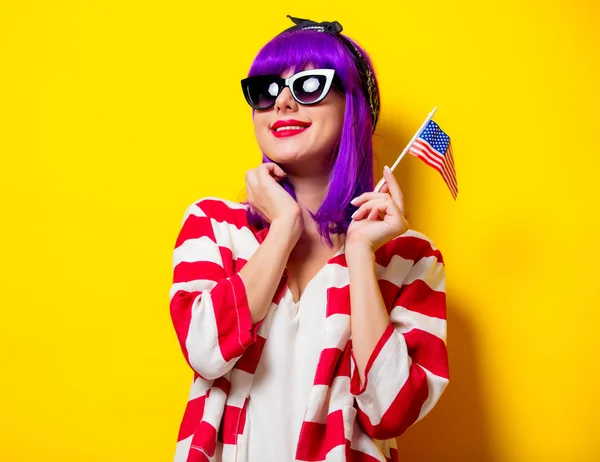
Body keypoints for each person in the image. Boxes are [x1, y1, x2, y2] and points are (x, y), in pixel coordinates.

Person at [169, 15, 449, 462]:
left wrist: (359, 253)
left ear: (352, 106)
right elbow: (206, 351)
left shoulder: (408, 257)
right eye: (265, 90)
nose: (282, 103)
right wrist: (283, 228)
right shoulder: (215, 226)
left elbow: (391, 412)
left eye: (310, 86)